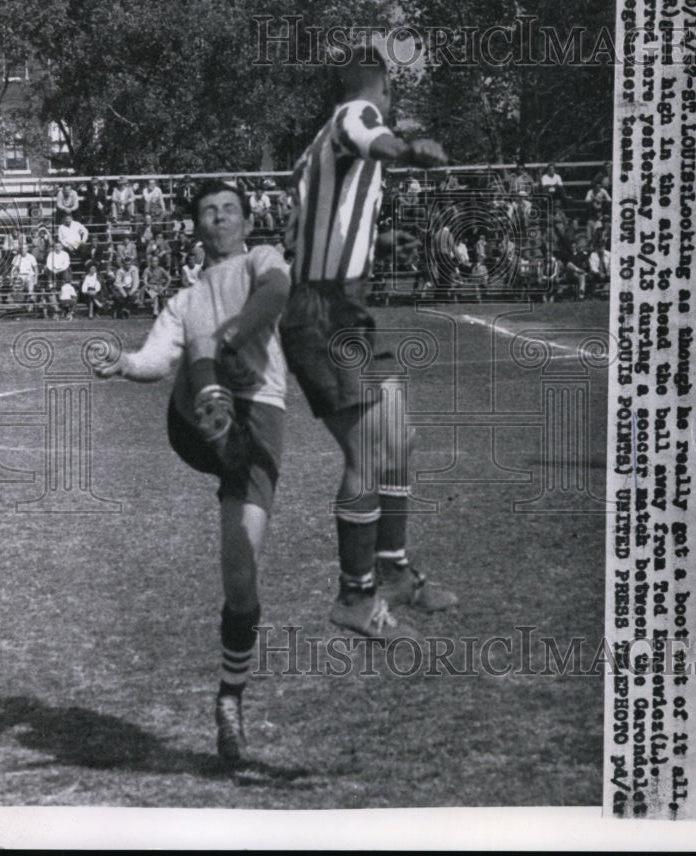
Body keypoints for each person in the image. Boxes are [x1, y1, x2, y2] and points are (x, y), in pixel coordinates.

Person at [95, 182, 290, 763]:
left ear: (247, 220)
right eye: (208, 212)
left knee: (239, 575)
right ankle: (213, 402)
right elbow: (159, 358)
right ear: (195, 226)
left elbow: (277, 292)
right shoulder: (184, 300)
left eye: (229, 209)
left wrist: (236, 331)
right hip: (195, 418)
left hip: (258, 419)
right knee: (200, 342)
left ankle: (230, 698)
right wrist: (125, 363)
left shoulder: (262, 260)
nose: (219, 218)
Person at [280, 43, 457, 643]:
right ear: (382, 87)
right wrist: (406, 150)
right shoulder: (356, 114)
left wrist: (378, 248)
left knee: (397, 437)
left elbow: (316, 230)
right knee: (366, 452)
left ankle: (395, 571)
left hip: (340, 305)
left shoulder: (317, 149)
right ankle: (355, 598)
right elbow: (368, 132)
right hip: (322, 312)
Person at [10, 243, 39, 310]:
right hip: (20, 276)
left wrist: (36, 279)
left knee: (29, 282)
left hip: (29, 275)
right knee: (16, 285)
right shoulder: (17, 257)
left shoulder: (31, 257)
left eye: (25, 248)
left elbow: (36, 269)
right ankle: (19, 307)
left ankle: (30, 305)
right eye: (22, 248)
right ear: (20, 249)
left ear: (27, 249)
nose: (23, 250)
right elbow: (13, 270)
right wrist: (12, 279)